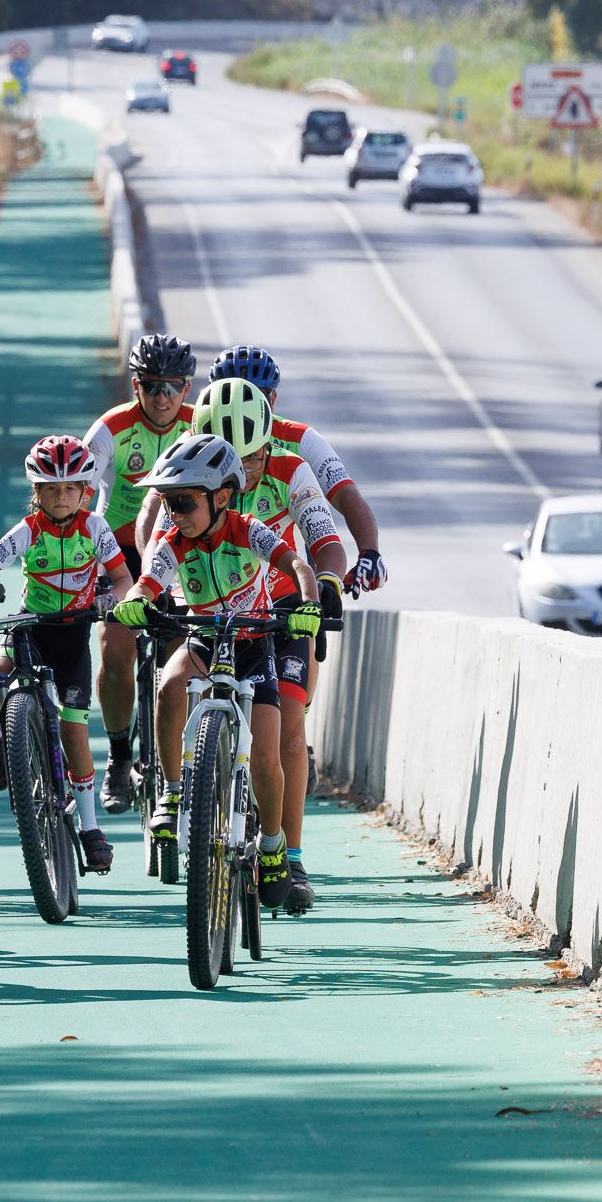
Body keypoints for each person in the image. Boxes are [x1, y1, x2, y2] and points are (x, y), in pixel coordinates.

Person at [110, 434, 323, 916]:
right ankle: (170, 791)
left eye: (183, 502)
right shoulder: (172, 542)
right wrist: (135, 603)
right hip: (205, 640)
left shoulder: (249, 530)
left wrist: (308, 604)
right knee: (168, 684)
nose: (174, 513)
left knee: (267, 758)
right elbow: (147, 582)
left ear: (221, 496)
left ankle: (272, 842)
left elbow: (295, 563)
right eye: (167, 502)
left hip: (253, 648)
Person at [179, 379, 348, 909]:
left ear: (268, 444)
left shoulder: (292, 470)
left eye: (252, 457)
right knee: (173, 681)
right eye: (231, 458)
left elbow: (324, 541)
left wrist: (329, 587)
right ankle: (183, 796)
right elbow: (152, 530)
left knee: (287, 732)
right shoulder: (189, 471)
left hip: (282, 610)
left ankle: (290, 859)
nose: (244, 470)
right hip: (217, 609)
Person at [0, 436, 134, 872]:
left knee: (73, 730)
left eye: (70, 489)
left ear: (85, 492)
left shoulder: (95, 529)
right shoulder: (27, 530)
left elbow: (121, 577)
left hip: (74, 635)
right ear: (36, 493)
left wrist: (112, 601)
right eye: (51, 489)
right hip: (31, 627)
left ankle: (90, 827)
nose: (61, 498)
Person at [85, 333, 196, 811]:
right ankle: (117, 755)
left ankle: (179, 756)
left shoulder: (200, 426)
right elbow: (77, 494)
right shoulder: (110, 429)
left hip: (184, 549)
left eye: (173, 387)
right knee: (115, 652)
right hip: (122, 554)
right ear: (136, 386)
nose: (163, 397)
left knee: (181, 655)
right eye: (153, 386)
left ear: (187, 389)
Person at [206, 346, 387, 594]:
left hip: (284, 581)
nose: (242, 408)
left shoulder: (300, 439)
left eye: (255, 395)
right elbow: (157, 506)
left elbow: (345, 494)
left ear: (273, 399)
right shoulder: (194, 442)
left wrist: (369, 552)